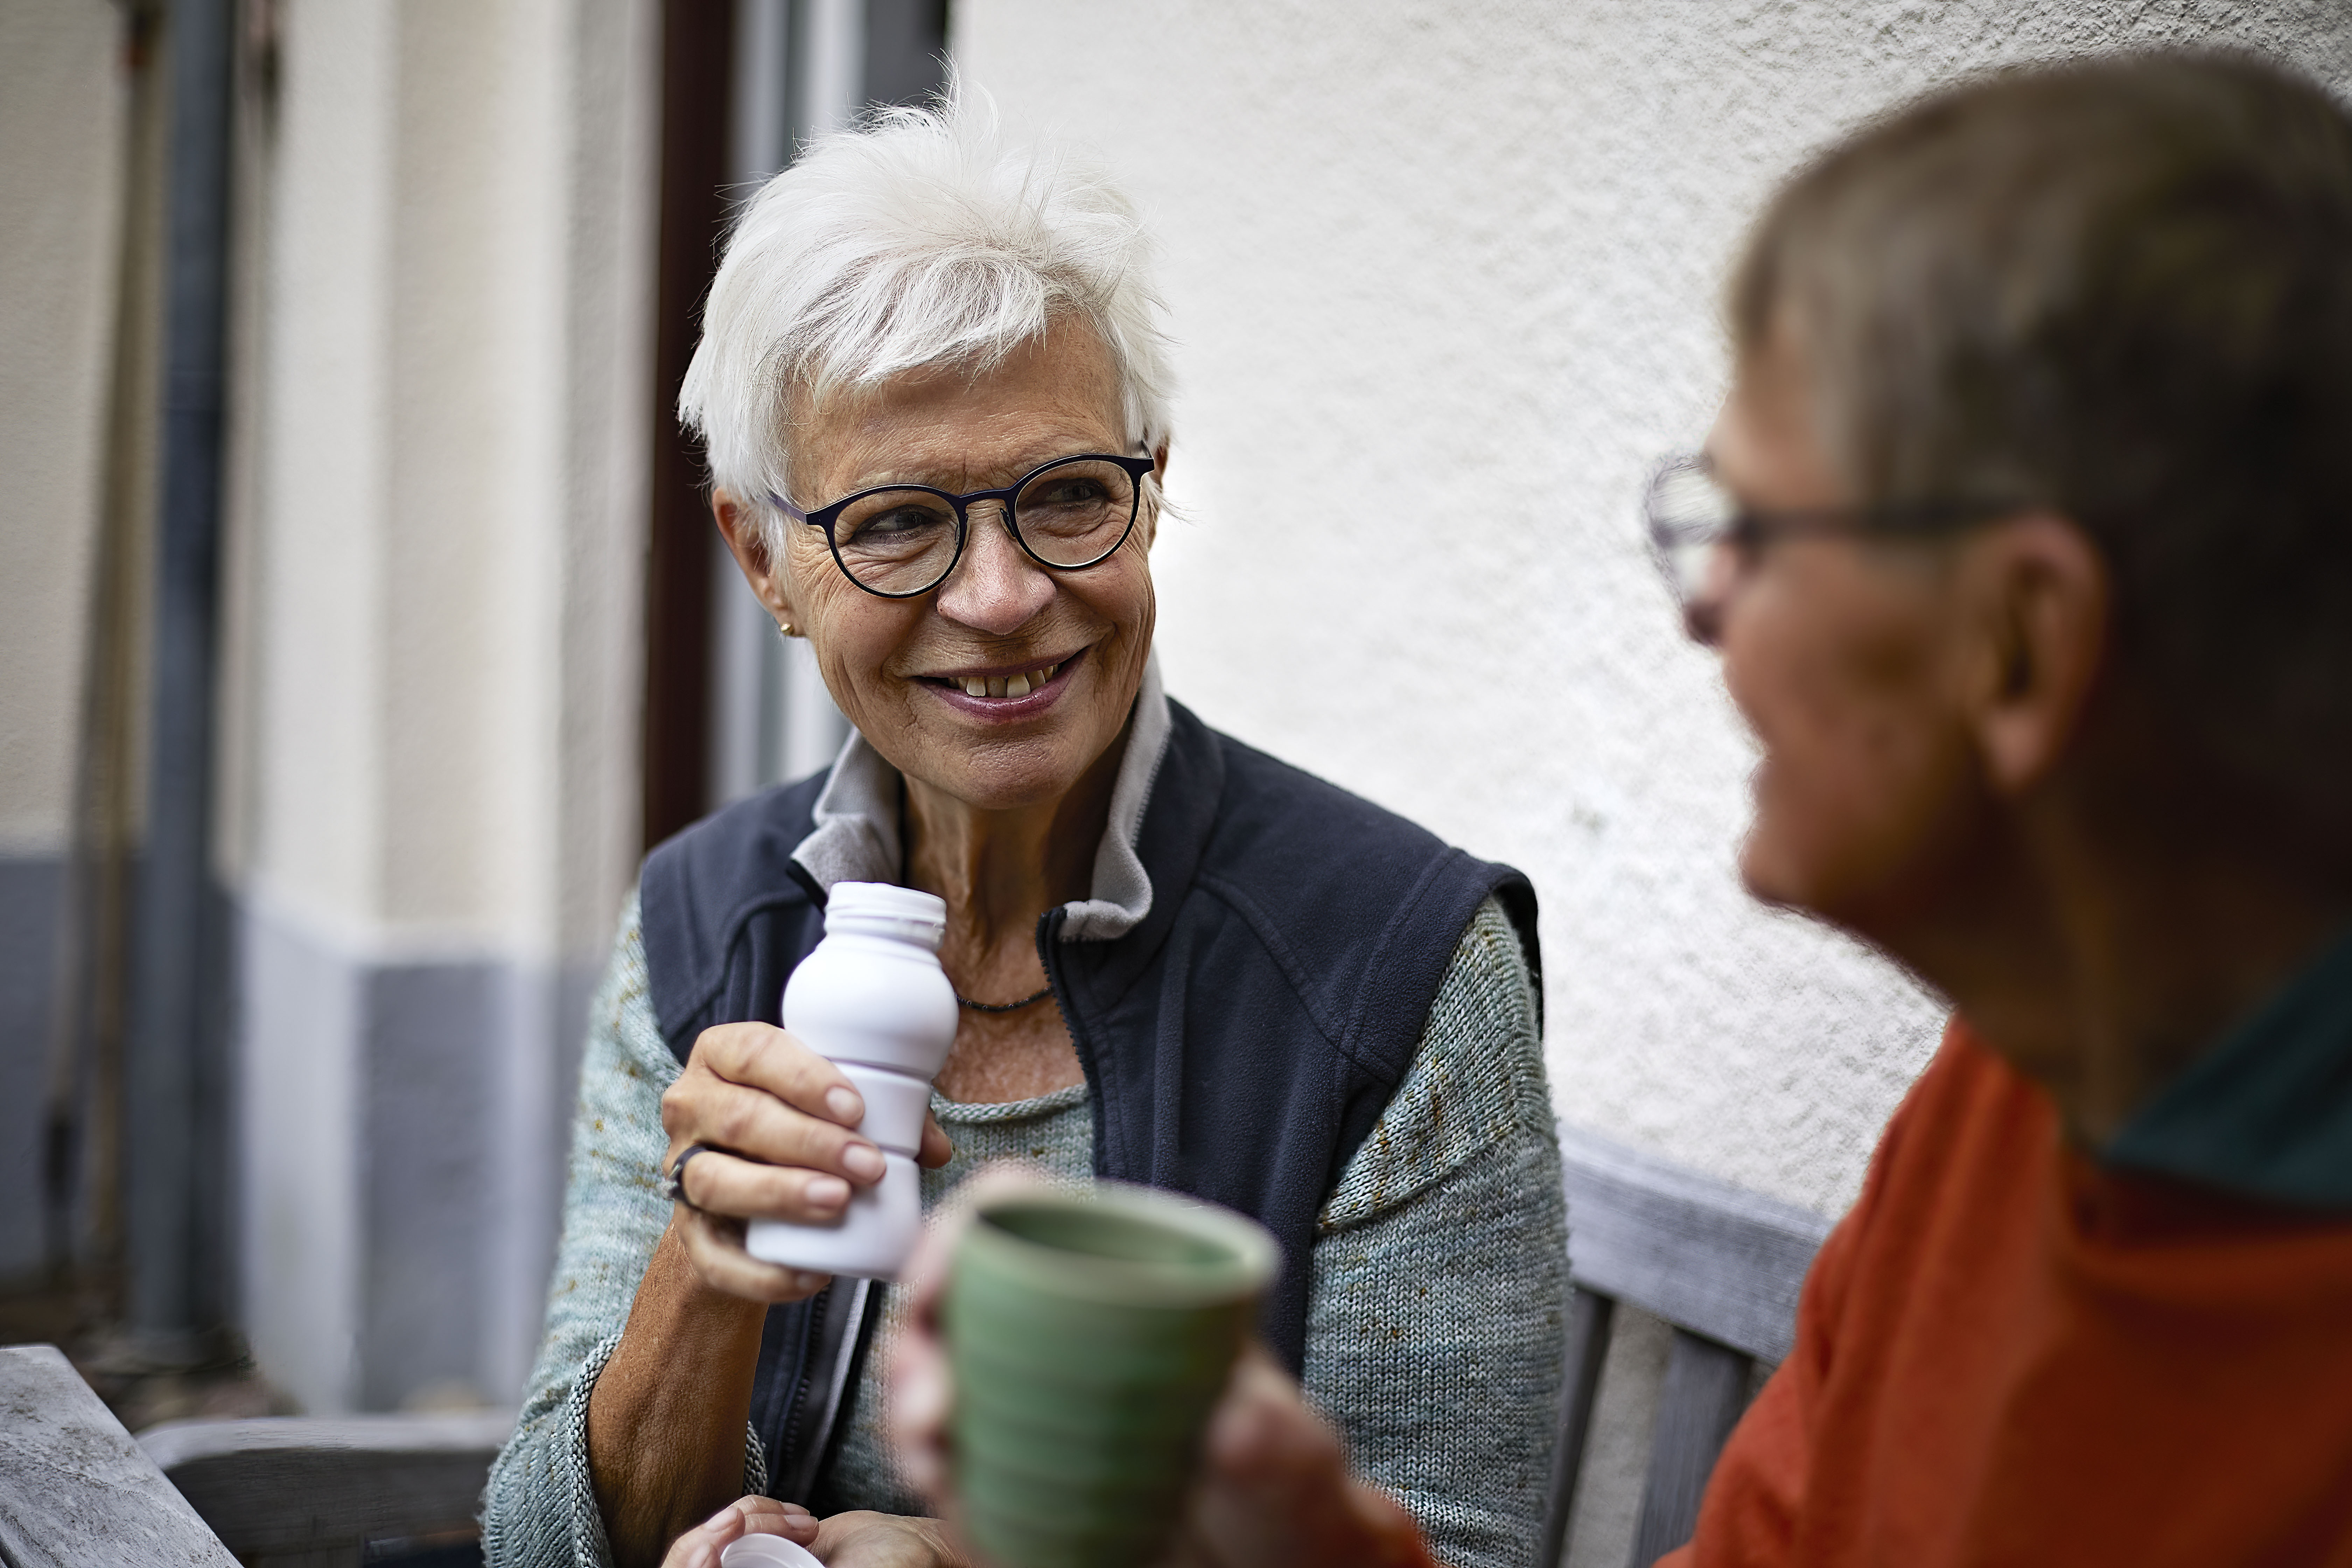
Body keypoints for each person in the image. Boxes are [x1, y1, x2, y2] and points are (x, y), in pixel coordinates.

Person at [733, 47, 2352, 1568]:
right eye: (895, 524)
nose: (1701, 606)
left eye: (1762, 528)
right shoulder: (2013, 1099)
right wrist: (1274, 1525)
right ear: (769, 559)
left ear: (2024, 642)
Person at [482, 95, 1566, 1568]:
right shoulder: (707, 922)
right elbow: (547, 1551)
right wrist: (705, 1269)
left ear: (1154, 485)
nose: (998, 597)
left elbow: (1454, 1558)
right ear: (764, 557)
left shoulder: (1395, 967)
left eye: (1066, 496)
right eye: (899, 522)